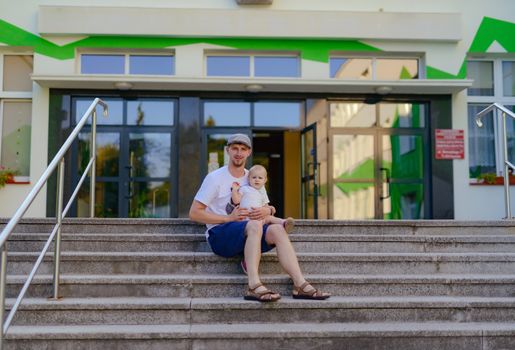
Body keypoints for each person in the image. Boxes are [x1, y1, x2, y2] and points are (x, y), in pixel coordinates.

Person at [189, 133, 330, 302]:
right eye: (234, 148)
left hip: (248, 232)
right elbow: (194, 213)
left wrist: (268, 211)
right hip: (220, 235)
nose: (238, 153)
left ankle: (300, 284)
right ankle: (253, 286)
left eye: (243, 149)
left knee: (277, 229)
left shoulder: (254, 176)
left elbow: (265, 206)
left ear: (248, 152)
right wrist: (228, 218)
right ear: (228, 151)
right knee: (255, 226)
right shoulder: (215, 178)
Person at [230, 164, 295, 233]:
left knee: (270, 218)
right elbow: (236, 201)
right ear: (248, 178)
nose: (257, 180)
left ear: (265, 180)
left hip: (259, 218)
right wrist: (234, 190)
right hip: (245, 218)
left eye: (260, 178)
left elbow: (265, 207)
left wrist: (270, 209)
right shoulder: (245, 189)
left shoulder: (262, 192)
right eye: (254, 177)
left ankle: (284, 223)